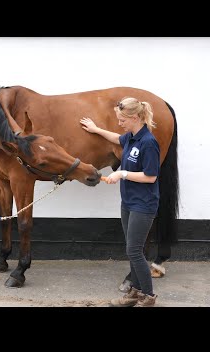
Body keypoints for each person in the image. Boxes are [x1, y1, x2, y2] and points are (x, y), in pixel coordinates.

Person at [80, 97, 160, 307]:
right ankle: (135, 292)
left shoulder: (148, 143)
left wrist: (123, 173)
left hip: (144, 204)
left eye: (122, 120)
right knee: (133, 249)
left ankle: (148, 296)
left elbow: (151, 176)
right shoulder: (132, 137)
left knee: (134, 250)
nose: (119, 123)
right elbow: (117, 138)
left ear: (135, 117)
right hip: (128, 202)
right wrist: (96, 130)